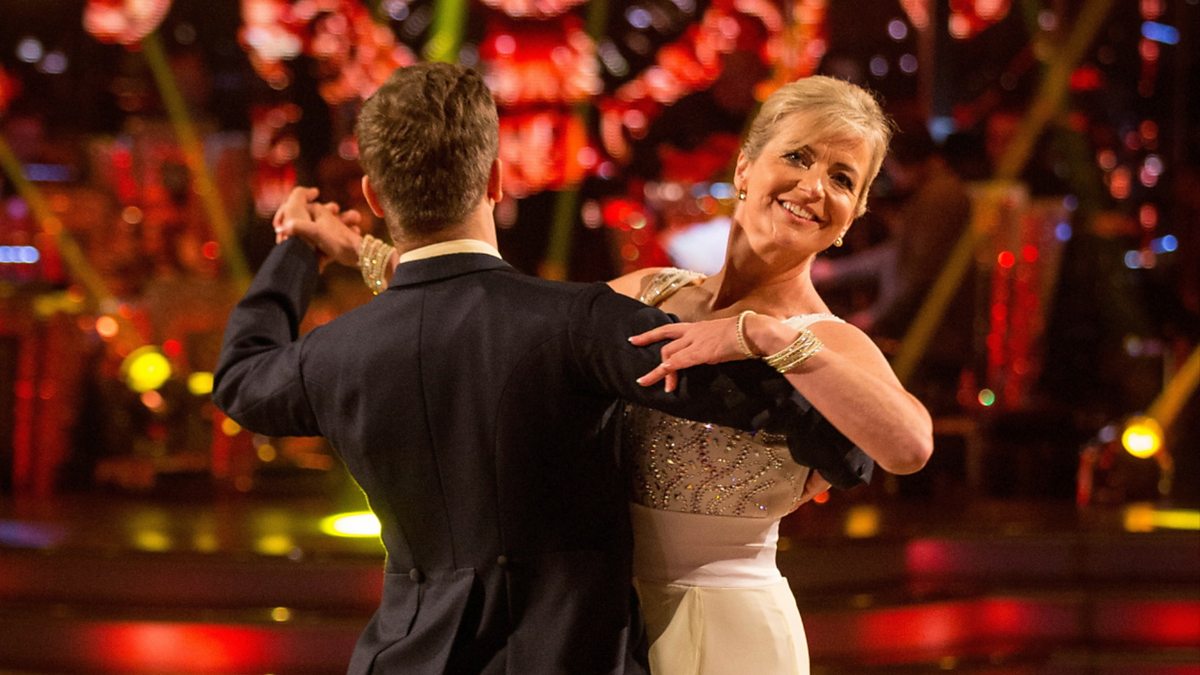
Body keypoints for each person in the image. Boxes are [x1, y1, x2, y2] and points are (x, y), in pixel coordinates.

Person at [214, 63, 871, 675]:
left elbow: (242, 378)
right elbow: (745, 396)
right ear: (497, 181)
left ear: (373, 197)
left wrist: (295, 254)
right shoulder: (577, 324)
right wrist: (839, 448)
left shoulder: (336, 353)